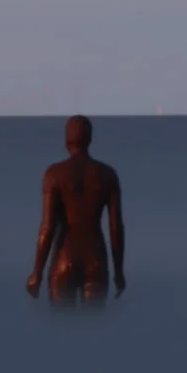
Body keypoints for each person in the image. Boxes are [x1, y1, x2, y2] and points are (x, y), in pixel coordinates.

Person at [27, 116, 125, 306]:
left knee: (63, 330)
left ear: (66, 140)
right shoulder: (107, 175)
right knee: (94, 330)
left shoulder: (54, 174)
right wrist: (119, 272)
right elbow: (116, 228)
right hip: (96, 258)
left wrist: (37, 273)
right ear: (90, 139)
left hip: (64, 258)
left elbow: (47, 228)